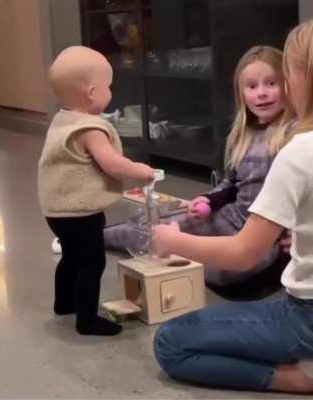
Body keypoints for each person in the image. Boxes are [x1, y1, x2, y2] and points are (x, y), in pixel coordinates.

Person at [152, 20, 313, 393]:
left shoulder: (298, 152)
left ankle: (299, 379)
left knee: (171, 342)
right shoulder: (260, 141)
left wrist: (171, 242)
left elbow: (244, 254)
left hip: (305, 318)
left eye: (283, 75)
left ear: (300, 79)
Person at [102, 45, 294, 291]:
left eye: (271, 83)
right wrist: (208, 201)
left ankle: (181, 258)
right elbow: (230, 184)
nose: (262, 94)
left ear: (288, 85)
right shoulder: (242, 136)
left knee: (227, 272)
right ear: (241, 93)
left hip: (267, 235)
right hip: (232, 218)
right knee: (157, 223)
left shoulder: (294, 135)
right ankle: (93, 238)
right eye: (252, 86)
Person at [38, 46, 154, 336]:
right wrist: (141, 171)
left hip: (56, 210)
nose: (110, 92)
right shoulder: (90, 128)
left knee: (71, 257)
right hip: (80, 212)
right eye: (108, 87)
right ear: (92, 92)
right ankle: (87, 320)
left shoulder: (63, 119)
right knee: (93, 260)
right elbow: (112, 164)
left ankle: (64, 303)